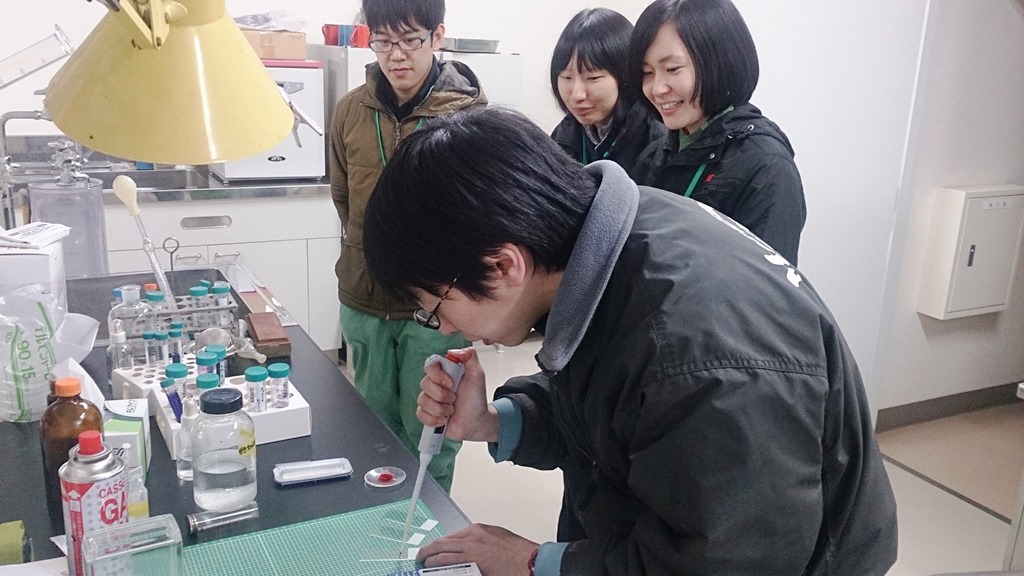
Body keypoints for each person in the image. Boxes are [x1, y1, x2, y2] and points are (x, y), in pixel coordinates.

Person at [362, 107, 897, 575]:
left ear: (504, 266)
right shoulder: (602, 250)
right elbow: (614, 404)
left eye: (437, 306)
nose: (445, 327)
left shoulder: (699, 357)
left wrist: (531, 562)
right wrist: (494, 421)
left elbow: (721, 563)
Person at [328, 0, 486, 492]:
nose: (396, 55)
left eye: (410, 40)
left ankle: (429, 525)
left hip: (439, 308)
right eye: (382, 41)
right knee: (374, 431)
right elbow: (343, 196)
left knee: (432, 435)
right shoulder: (350, 111)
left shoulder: (467, 115)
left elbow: (481, 213)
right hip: (366, 297)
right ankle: (381, 521)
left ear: (437, 36)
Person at [629, 0, 806, 265]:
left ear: (720, 61)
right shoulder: (654, 155)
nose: (657, 89)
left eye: (672, 69)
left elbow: (762, 284)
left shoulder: (766, 165)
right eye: (647, 73)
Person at [549, 8, 666, 172]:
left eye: (592, 78)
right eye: (567, 77)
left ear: (625, 75)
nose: (577, 95)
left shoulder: (656, 140)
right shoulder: (565, 134)